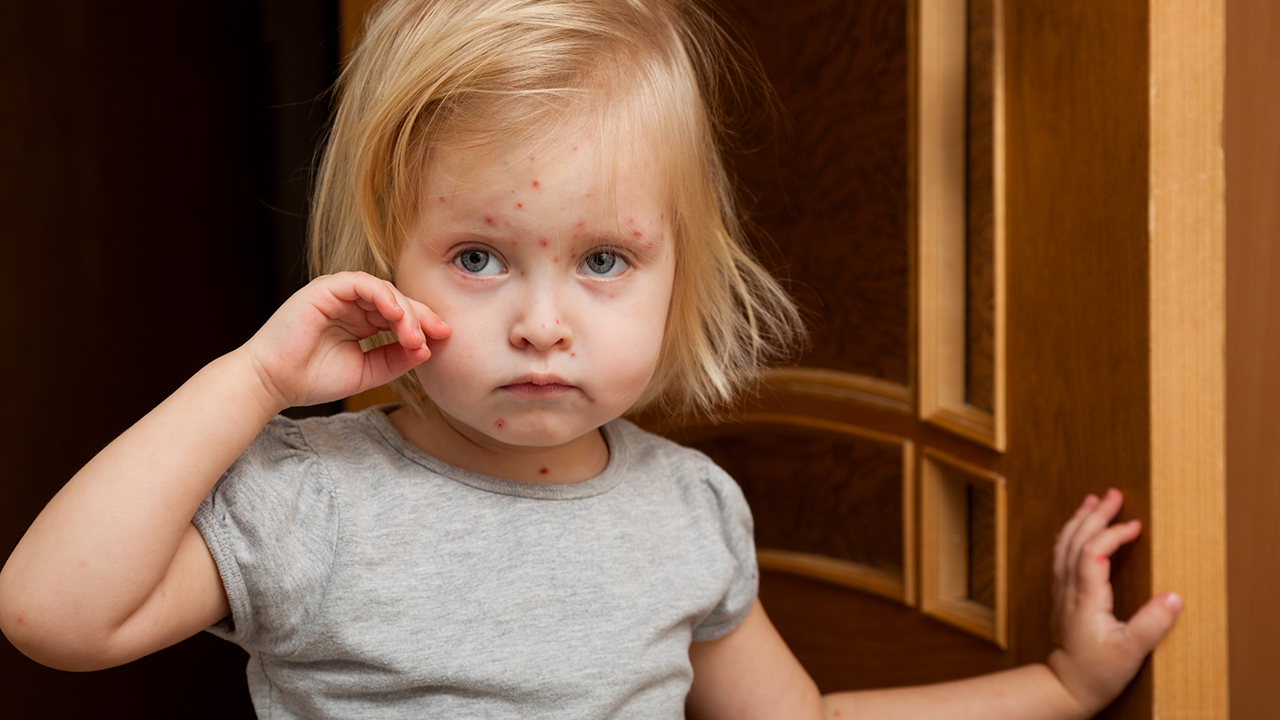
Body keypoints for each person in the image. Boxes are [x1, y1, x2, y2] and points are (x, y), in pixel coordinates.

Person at [0, 0, 1181, 717]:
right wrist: (249, 382)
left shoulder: (686, 510)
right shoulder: (310, 497)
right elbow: (51, 616)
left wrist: (1062, 689)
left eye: (604, 261)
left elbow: (803, 718)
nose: (542, 321)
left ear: (682, 275)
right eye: (476, 256)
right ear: (381, 267)